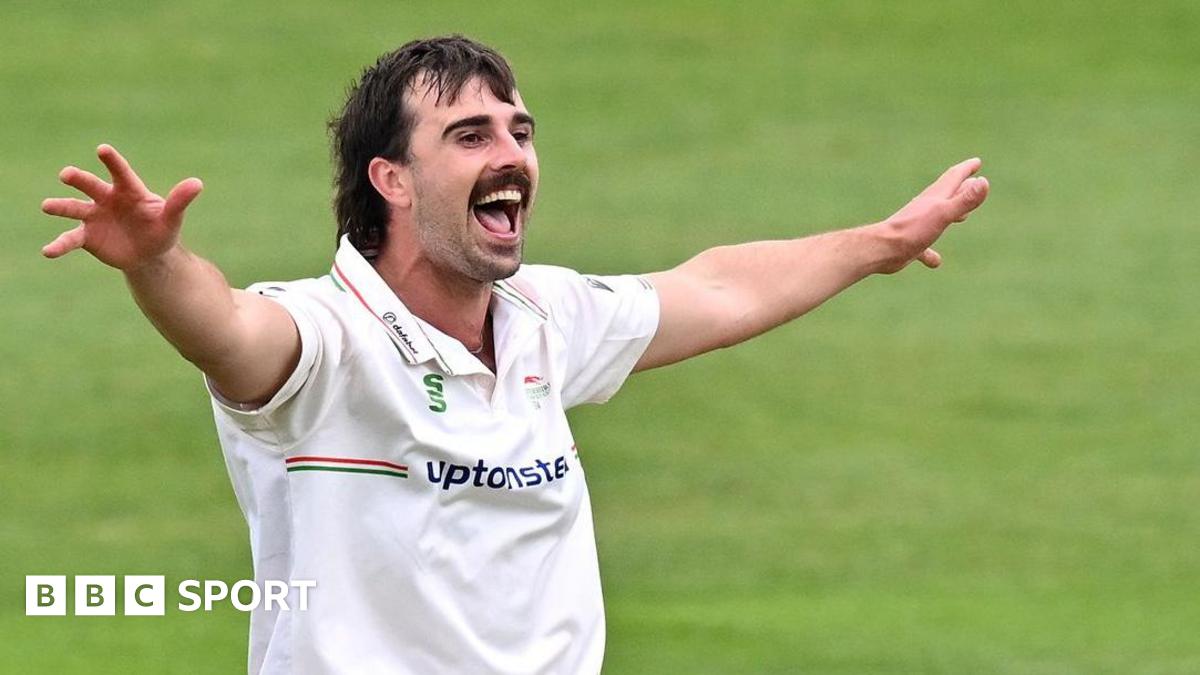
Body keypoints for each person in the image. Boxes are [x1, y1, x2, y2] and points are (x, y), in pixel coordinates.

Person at [40, 35, 989, 675]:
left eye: (520, 132)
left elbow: (717, 287)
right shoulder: (325, 339)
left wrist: (881, 243)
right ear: (393, 180)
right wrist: (159, 261)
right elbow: (226, 328)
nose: (514, 154)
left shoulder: (544, 316)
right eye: (470, 136)